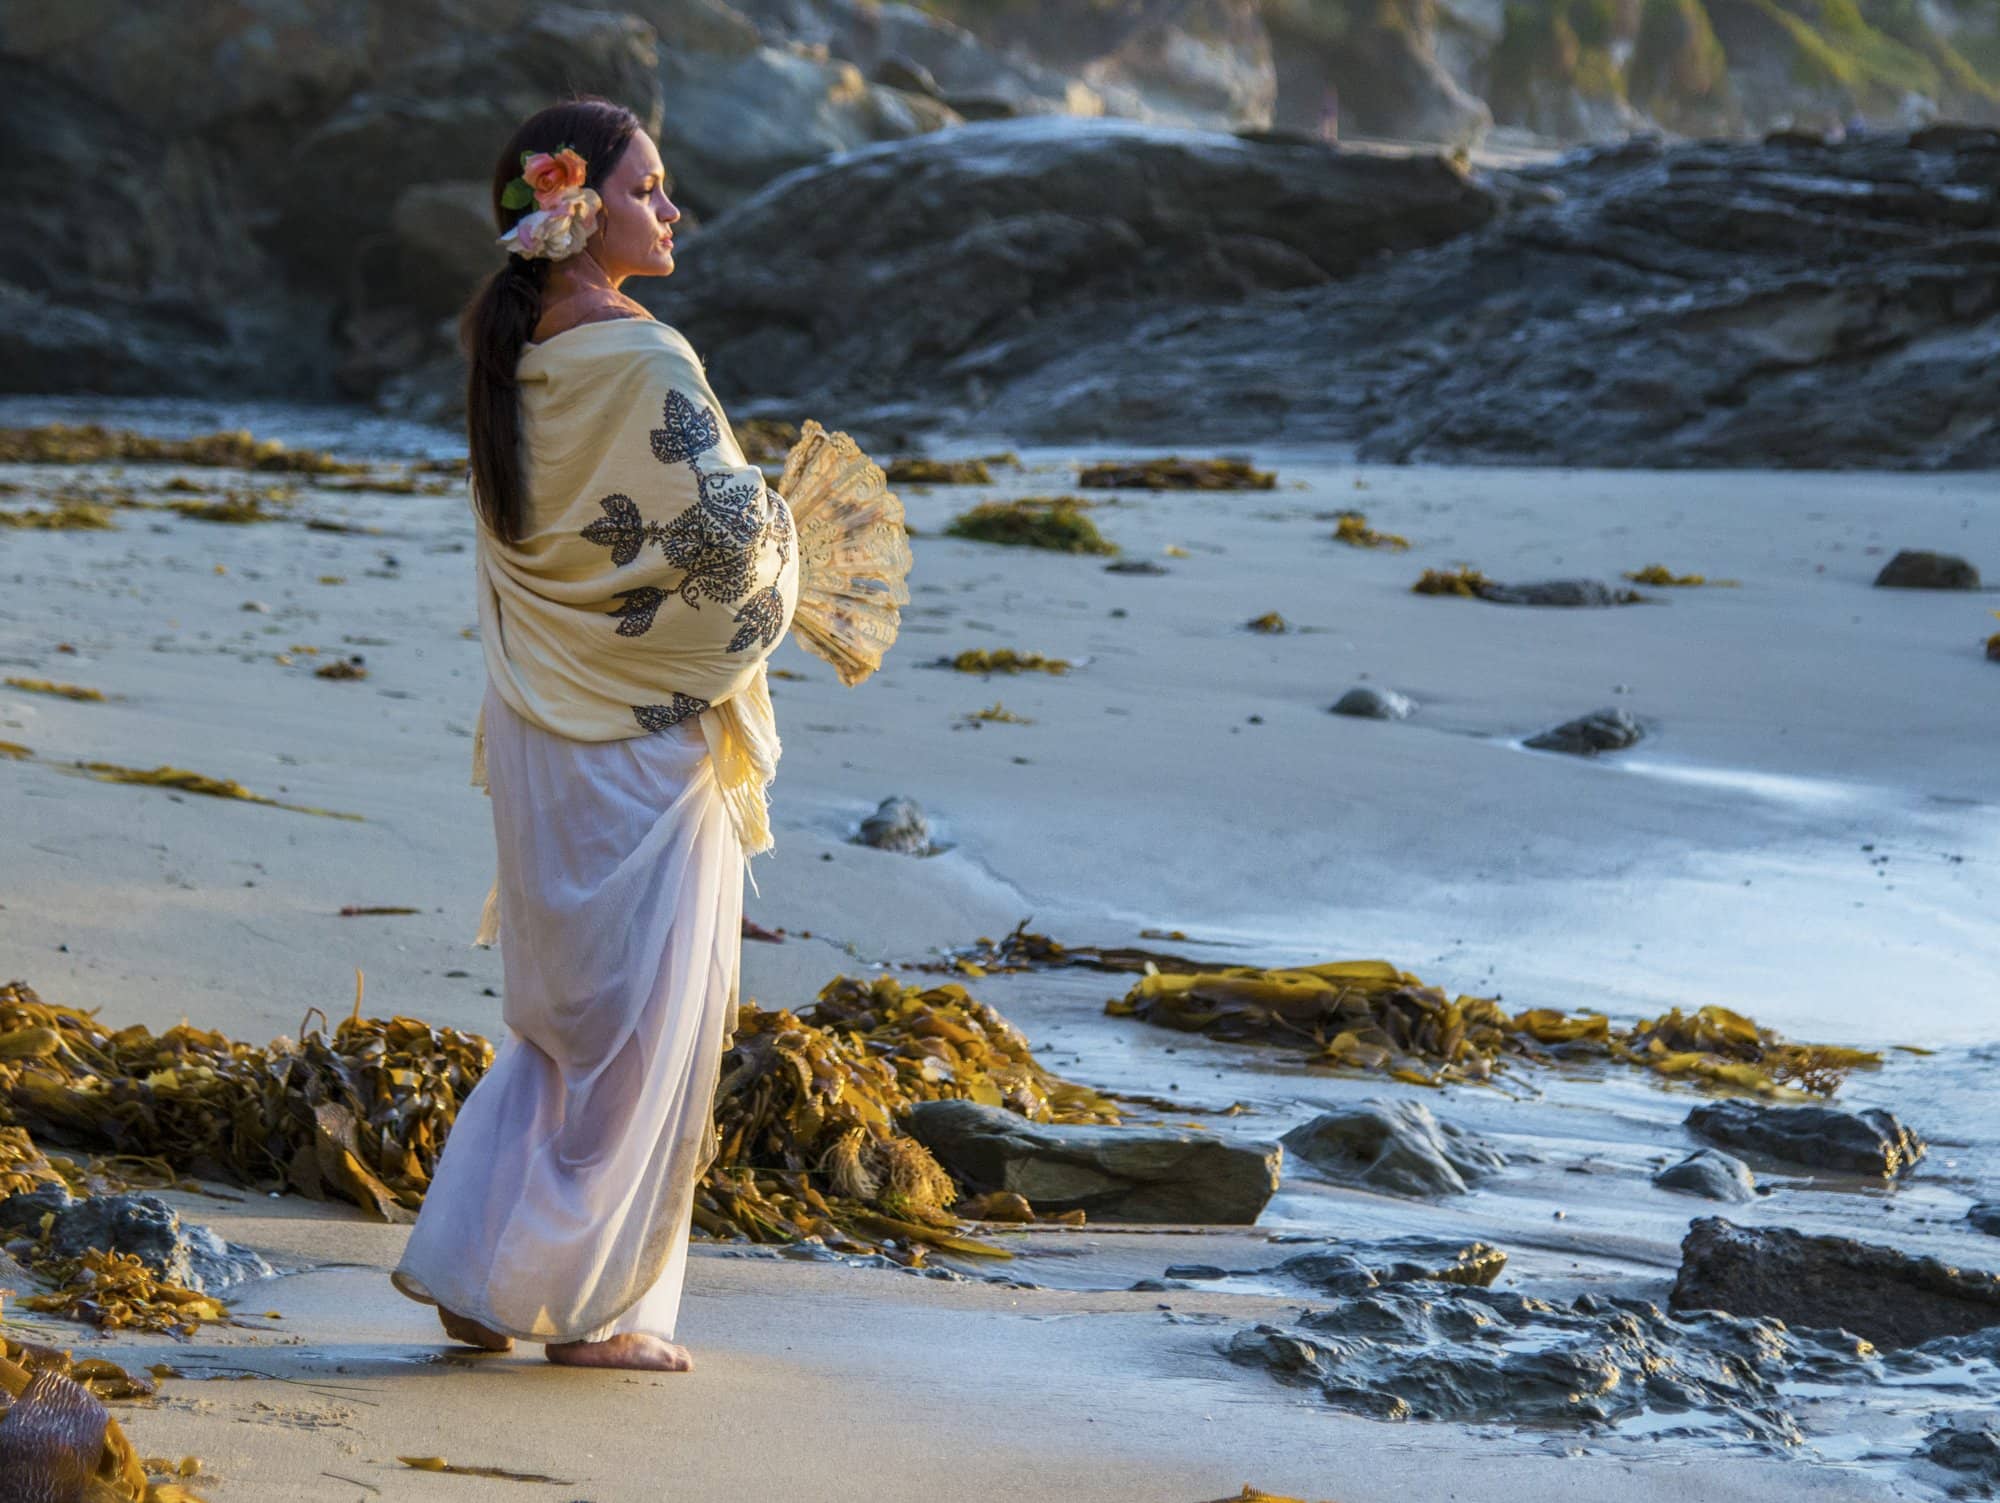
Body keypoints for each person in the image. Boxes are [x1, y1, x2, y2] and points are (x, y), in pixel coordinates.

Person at [389, 95, 800, 1373]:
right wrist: (789, 536)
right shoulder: (640, 354)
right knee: (644, 1023)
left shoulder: (511, 351)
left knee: (564, 1019)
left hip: (539, 711)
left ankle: (479, 1271)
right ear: (576, 210)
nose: (671, 211)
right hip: (637, 732)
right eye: (647, 189)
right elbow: (725, 545)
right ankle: (584, 1310)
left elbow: (581, 547)